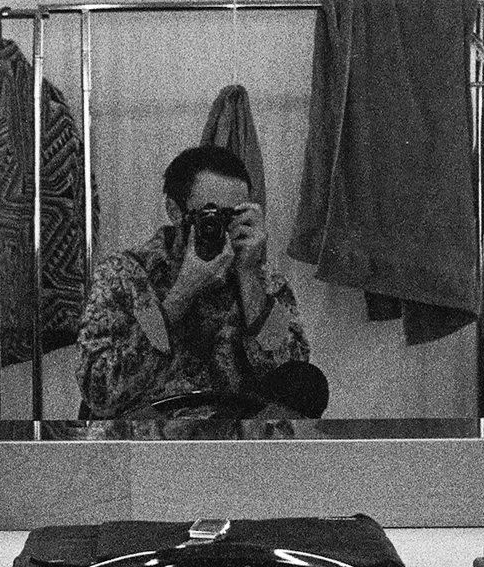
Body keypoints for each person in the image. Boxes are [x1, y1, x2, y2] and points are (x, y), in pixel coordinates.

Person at [77, 145, 328, 419]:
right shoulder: (125, 276)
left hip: (241, 446)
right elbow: (99, 391)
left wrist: (249, 277)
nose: (221, 227)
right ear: (174, 210)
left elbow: (293, 379)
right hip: (149, 446)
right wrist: (180, 296)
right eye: (210, 215)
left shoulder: (264, 280)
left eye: (232, 215)